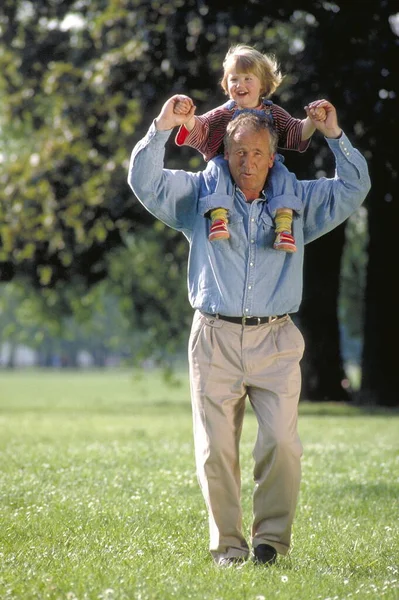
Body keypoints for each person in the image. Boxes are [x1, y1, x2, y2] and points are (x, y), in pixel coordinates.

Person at [127, 96, 371, 567]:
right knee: (216, 450)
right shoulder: (200, 196)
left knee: (282, 442)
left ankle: (270, 544)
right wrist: (161, 126)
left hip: (276, 339)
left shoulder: (297, 200)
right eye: (239, 152)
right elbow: (144, 180)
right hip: (214, 337)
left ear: (273, 156)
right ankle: (229, 549)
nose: (249, 162)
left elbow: (354, 186)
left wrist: (335, 136)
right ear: (224, 153)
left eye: (259, 152)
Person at [173, 44, 326, 251]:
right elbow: (203, 129)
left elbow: (295, 132)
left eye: (247, 79)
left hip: (264, 168)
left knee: (283, 176)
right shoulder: (223, 113)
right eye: (234, 79)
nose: (240, 84)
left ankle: (283, 227)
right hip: (229, 164)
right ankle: (218, 216)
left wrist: (312, 121)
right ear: (226, 84)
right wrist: (188, 118)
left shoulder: (273, 113)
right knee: (216, 170)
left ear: (262, 84)